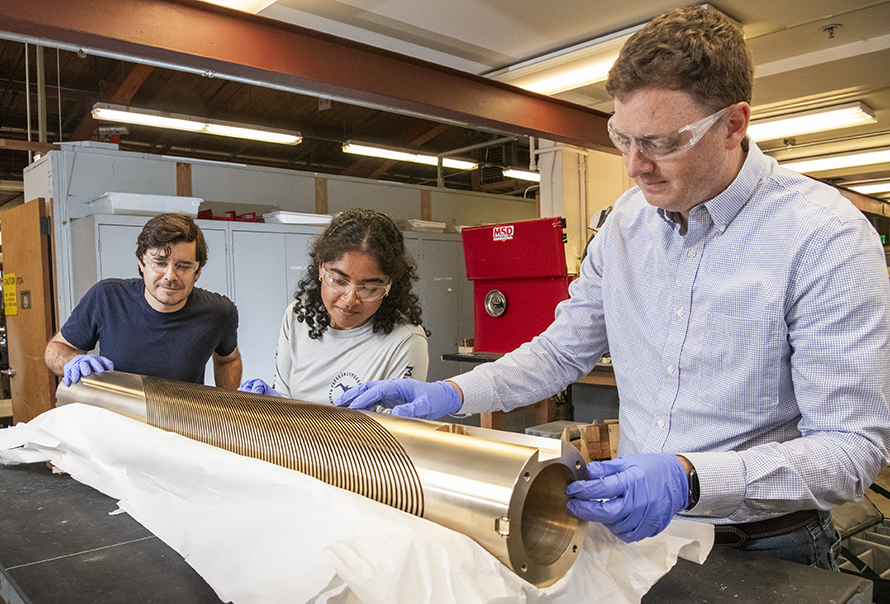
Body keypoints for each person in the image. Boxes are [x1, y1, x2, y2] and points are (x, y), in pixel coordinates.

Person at [337, 6, 890, 570]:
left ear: (733, 124)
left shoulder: (824, 236)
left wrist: (690, 478)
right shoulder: (627, 223)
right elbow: (559, 352)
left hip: (768, 548)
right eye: (622, 138)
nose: (634, 166)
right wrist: (453, 395)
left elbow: (853, 450)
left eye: (661, 142)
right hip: (638, 537)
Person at [239, 208, 428, 404]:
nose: (350, 300)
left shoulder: (405, 340)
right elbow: (284, 394)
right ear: (321, 269)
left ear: (390, 285)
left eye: (370, 288)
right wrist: (270, 404)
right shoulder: (298, 317)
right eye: (338, 281)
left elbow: (391, 429)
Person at [45, 212, 242, 389]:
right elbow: (56, 349)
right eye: (160, 263)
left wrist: (226, 405)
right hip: (117, 420)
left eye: (183, 266)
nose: (170, 276)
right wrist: (72, 360)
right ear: (142, 262)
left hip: (181, 424)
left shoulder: (220, 312)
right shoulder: (106, 298)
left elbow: (228, 360)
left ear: (197, 271)